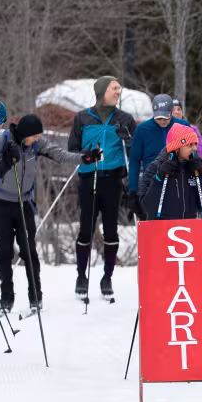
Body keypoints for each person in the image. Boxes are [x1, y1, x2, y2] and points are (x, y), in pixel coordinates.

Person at [0, 115, 100, 312]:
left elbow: (59, 154)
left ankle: (36, 297)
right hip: (0, 203)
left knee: (29, 251)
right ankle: (6, 298)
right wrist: (4, 160)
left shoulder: (37, 144)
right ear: (24, 134)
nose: (37, 139)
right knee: (4, 252)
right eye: (34, 136)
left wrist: (85, 158)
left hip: (24, 203)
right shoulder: (1, 141)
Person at [68, 76, 137, 302]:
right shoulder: (83, 117)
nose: (118, 91)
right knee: (85, 228)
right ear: (102, 91)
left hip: (113, 179)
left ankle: (107, 277)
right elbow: (72, 151)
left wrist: (127, 140)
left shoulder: (124, 119)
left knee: (111, 230)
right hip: (89, 178)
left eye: (119, 88)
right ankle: (80, 276)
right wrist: (86, 156)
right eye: (114, 88)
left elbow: (135, 149)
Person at [128, 94, 190, 221]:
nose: (162, 121)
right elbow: (134, 161)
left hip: (177, 184)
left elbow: (191, 155)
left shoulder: (183, 126)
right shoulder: (142, 129)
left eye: (166, 117)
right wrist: (133, 191)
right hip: (152, 185)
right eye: (159, 117)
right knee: (154, 227)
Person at [139, 125, 202, 221]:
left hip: (190, 230)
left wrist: (201, 176)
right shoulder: (155, 167)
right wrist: (159, 178)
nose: (195, 148)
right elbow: (146, 207)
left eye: (195, 144)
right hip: (163, 229)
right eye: (190, 145)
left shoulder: (194, 169)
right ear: (177, 147)